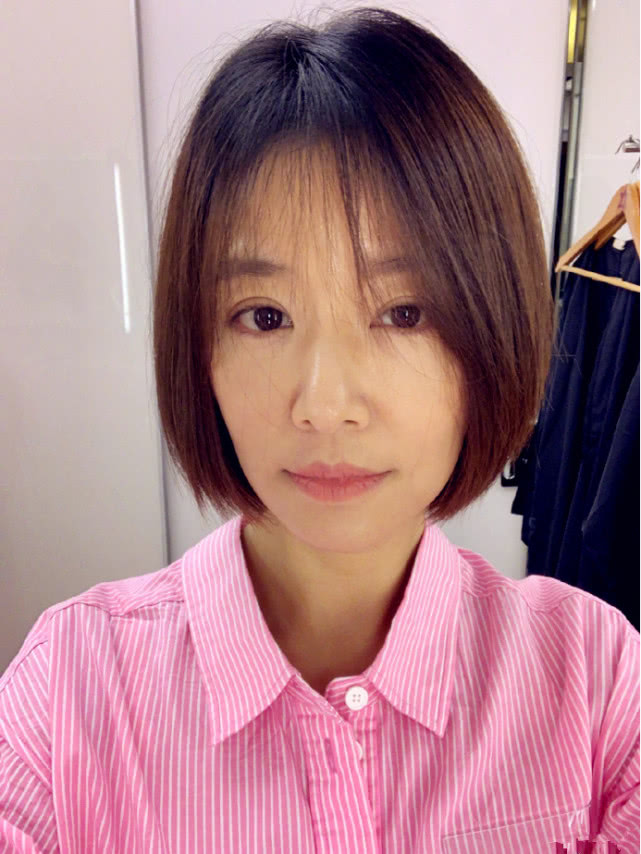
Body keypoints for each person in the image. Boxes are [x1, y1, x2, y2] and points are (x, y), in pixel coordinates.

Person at [0, 7, 638, 853]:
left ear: (494, 325)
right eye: (263, 316)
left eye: (403, 313)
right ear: (197, 344)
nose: (325, 405)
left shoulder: (594, 679)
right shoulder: (69, 691)